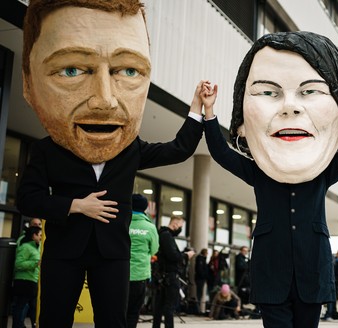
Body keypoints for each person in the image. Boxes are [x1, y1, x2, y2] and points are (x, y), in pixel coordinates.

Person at [16, 0, 204, 326]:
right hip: (64, 251)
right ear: (28, 84)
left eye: (127, 71)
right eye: (72, 69)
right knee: (53, 320)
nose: (104, 100)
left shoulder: (129, 149)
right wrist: (76, 205)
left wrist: (197, 110)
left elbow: (179, 149)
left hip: (113, 254)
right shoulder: (48, 150)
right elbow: (27, 199)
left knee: (113, 321)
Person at [197, 31, 338, 328]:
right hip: (271, 274)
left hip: (311, 274)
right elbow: (221, 153)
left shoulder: (321, 173)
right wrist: (210, 111)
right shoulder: (259, 172)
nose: (290, 107)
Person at [152, 215, 195, 328]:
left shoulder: (163, 235)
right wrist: (186, 255)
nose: (180, 229)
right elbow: (173, 256)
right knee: (169, 306)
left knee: (160, 306)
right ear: (175, 224)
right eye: (180, 226)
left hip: (164, 275)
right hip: (169, 276)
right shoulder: (166, 236)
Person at [127, 194, 159, 328]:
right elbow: (154, 250)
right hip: (139, 275)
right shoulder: (150, 227)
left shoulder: (122, 221)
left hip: (118, 273)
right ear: (145, 208)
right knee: (134, 311)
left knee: (117, 309)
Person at [11, 226, 41, 328]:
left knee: (32, 308)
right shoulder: (25, 247)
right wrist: (35, 263)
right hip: (24, 281)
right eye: (40, 235)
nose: (41, 237)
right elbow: (18, 264)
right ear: (34, 235)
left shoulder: (37, 247)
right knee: (21, 307)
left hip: (32, 280)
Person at [194, 248, 209, 312]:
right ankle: (198, 309)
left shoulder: (202, 259)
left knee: (200, 294)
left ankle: (199, 308)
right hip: (200, 279)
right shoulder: (200, 259)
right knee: (199, 294)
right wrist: (204, 275)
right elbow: (200, 270)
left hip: (201, 278)